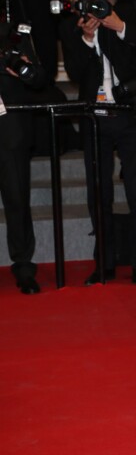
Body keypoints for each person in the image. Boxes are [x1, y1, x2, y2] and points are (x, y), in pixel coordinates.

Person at [57, 0, 136, 285]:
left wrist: (118, 26)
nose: (88, 6)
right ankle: (104, 263)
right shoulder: (72, 30)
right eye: (80, 3)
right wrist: (87, 40)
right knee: (98, 194)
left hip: (128, 114)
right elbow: (75, 73)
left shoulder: (121, 13)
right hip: (95, 119)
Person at [0, 19, 48, 294]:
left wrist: (24, 72)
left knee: (17, 199)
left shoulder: (15, 35)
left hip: (10, 131)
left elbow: (40, 79)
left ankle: (23, 265)